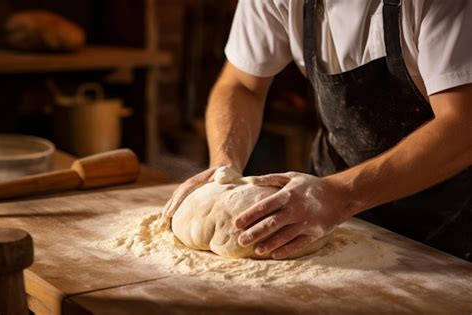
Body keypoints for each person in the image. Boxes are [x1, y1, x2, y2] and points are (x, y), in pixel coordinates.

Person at [161, 0, 472, 261]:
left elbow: (463, 125)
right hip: (330, 209)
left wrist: (343, 195)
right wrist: (224, 166)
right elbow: (241, 84)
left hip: (450, 222)